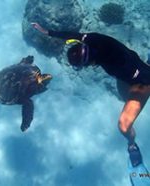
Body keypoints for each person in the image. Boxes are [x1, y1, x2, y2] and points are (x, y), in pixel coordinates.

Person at [31, 22, 150, 167]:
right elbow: (72, 35)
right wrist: (47, 32)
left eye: (83, 66)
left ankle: (132, 145)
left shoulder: (114, 58)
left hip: (142, 83)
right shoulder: (91, 40)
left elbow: (127, 63)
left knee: (124, 126)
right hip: (127, 77)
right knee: (125, 99)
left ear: (89, 62)